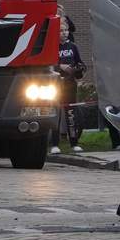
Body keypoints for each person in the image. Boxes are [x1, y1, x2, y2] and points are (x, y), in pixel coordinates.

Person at [49, 22, 85, 155]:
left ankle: (74, 143)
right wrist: (60, 67)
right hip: (55, 84)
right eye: (61, 31)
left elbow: (79, 62)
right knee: (56, 113)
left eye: (66, 30)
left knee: (71, 113)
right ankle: (54, 144)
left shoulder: (73, 46)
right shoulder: (51, 47)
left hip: (70, 84)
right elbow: (48, 65)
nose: (64, 33)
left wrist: (79, 69)